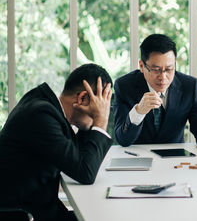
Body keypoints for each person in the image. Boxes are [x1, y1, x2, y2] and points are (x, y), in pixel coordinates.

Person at [0, 64, 113, 221]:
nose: (104, 110)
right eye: (103, 105)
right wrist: (100, 121)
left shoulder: (44, 105)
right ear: (82, 98)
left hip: (35, 207)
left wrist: (93, 124)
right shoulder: (41, 115)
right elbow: (85, 172)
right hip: (23, 213)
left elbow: (79, 157)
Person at [113, 34, 197, 153]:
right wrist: (138, 111)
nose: (163, 77)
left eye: (169, 69)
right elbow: (122, 139)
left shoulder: (189, 86)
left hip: (175, 160)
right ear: (142, 66)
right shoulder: (124, 86)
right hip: (138, 159)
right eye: (156, 70)